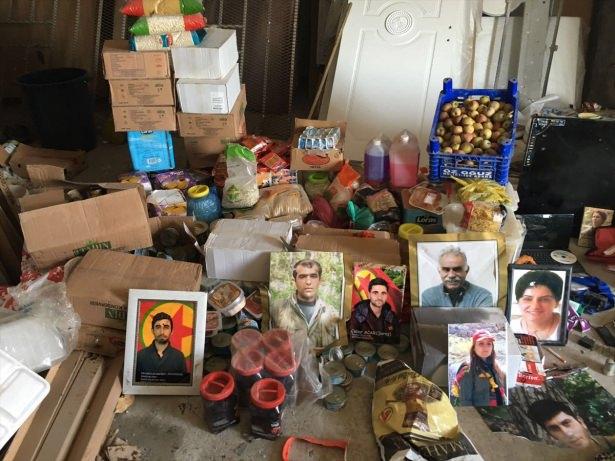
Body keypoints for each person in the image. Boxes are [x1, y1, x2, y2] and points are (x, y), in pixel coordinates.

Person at [273, 259, 340, 349]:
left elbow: (337, 349)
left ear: (320, 280)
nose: (308, 282)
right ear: (294, 281)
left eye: (313, 276)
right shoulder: (277, 308)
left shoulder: (332, 313)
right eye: (302, 277)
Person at [528, 399, 615, 452]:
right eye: (555, 429)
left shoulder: (609, 442)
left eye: (567, 423)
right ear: (551, 436)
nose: (568, 433)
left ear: (581, 422)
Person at [421, 246, 494, 307]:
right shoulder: (428, 296)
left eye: (457, 269)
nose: (451, 275)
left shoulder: (482, 296)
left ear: (466, 270)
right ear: (439, 271)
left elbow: (484, 320)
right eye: (446, 269)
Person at [450, 329, 506, 407]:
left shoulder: (495, 367)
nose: (485, 347)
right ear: (474, 348)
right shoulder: (468, 370)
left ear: (492, 347)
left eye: (489, 344)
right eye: (481, 344)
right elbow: (466, 402)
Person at [135, 312, 189, 383]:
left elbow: (183, 384)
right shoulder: (140, 356)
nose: (162, 332)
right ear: (152, 330)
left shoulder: (179, 356)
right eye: (158, 327)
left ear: (171, 331)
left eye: (166, 327)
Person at [510, 270, 563, 341]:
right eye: (528, 299)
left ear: (557, 303)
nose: (534, 306)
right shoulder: (509, 328)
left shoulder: (568, 330)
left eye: (544, 299)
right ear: (518, 301)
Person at [348, 277, 400, 342]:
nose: (379, 297)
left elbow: (395, 340)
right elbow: (353, 340)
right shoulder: (356, 315)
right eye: (375, 293)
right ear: (369, 295)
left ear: (386, 295)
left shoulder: (392, 316)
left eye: (383, 293)